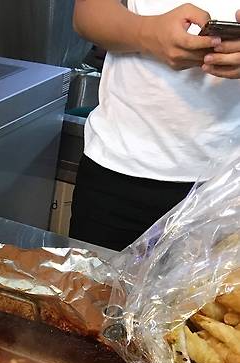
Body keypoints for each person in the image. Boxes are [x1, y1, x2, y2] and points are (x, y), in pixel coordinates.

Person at [69, 2, 240, 251]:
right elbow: (87, 14)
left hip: (229, 188)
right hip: (118, 169)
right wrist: (147, 33)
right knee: (94, 277)